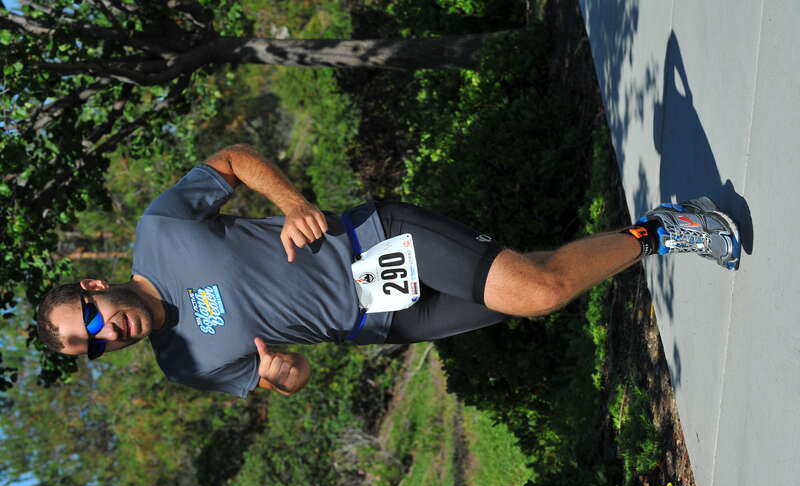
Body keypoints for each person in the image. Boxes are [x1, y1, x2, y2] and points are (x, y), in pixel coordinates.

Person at [35, 144, 741, 397]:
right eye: (92, 347)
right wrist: (284, 375)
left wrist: (293, 203)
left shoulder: (160, 230)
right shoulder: (185, 366)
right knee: (526, 281)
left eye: (90, 321)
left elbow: (230, 160)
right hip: (382, 322)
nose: (106, 335)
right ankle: (642, 233)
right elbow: (292, 379)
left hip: (376, 244)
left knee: (538, 292)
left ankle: (668, 228)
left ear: (93, 287)